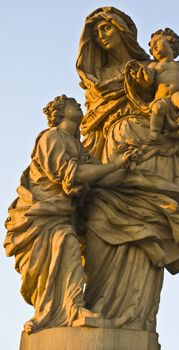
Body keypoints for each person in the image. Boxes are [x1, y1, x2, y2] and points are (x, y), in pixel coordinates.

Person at [76, 7, 179, 348]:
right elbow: (90, 124)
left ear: (124, 31)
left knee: (148, 238)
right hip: (111, 162)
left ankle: (134, 322)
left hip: (156, 157)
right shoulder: (99, 82)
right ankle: (93, 310)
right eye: (96, 34)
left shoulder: (153, 69)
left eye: (107, 29)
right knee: (98, 228)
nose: (102, 37)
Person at [4, 94, 131, 334]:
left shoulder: (77, 147)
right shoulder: (51, 137)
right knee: (67, 245)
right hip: (39, 216)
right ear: (60, 113)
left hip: (59, 216)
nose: (79, 105)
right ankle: (62, 310)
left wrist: (126, 164)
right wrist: (114, 165)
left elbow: (101, 175)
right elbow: (71, 175)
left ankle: (68, 308)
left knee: (65, 249)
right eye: (73, 103)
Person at [128, 28, 179, 141]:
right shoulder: (154, 66)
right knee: (158, 109)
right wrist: (141, 73)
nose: (153, 47)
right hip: (161, 98)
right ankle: (154, 133)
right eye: (151, 48)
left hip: (176, 95)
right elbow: (148, 79)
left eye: (156, 42)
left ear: (171, 42)